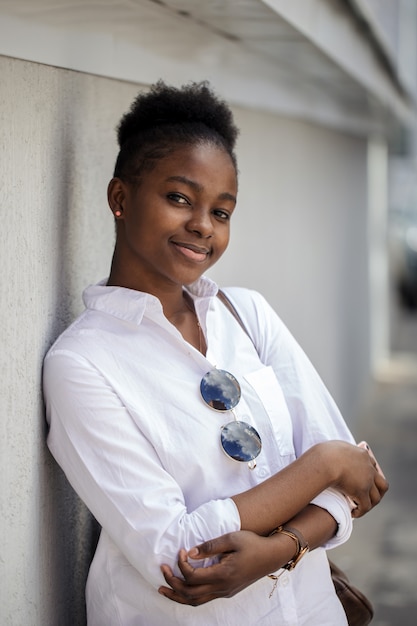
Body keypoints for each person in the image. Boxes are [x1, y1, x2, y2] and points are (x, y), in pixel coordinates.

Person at [43, 81, 388, 626]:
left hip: (313, 610)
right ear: (120, 198)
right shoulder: (82, 363)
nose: (203, 225)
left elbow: (354, 486)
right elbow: (174, 553)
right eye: (179, 198)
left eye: (221, 211)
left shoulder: (246, 314)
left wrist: (278, 550)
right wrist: (318, 465)